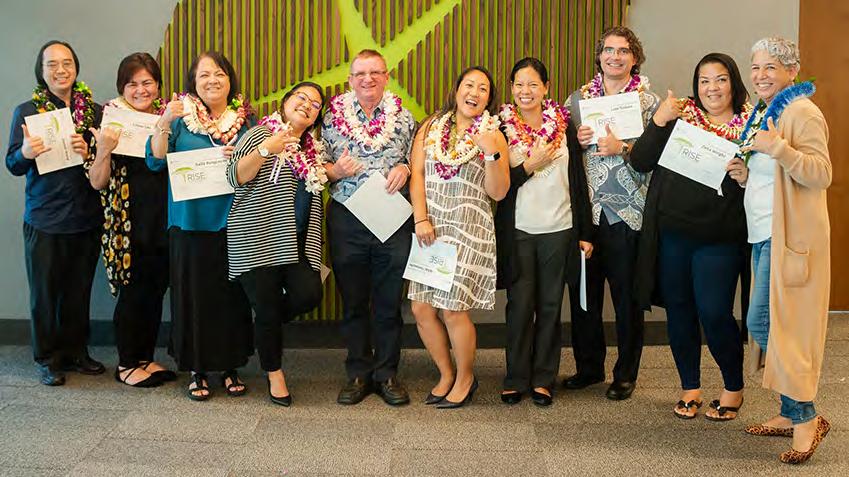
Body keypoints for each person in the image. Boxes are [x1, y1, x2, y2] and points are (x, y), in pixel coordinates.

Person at [630, 53, 752, 419]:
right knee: (680, 311)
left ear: (733, 83)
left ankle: (733, 387)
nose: (712, 88)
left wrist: (747, 177)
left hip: (721, 238)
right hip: (673, 235)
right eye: (704, 81)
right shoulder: (681, 118)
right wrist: (660, 119)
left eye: (720, 79)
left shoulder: (752, 127)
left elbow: (769, 183)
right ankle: (690, 386)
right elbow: (640, 161)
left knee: (714, 313)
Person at [738, 37, 832, 465]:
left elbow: (820, 172)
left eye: (771, 67)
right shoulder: (765, 111)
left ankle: (806, 418)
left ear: (792, 71)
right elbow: (772, 174)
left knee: (769, 325)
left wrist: (776, 147)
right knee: (774, 326)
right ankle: (790, 411)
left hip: (789, 238)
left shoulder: (802, 111)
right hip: (763, 233)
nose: (761, 75)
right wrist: (745, 173)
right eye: (756, 67)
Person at [146, 51, 253, 401]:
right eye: (204, 74)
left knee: (232, 298)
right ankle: (197, 368)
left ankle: (231, 365)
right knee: (193, 297)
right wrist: (164, 120)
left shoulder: (246, 120)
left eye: (219, 73)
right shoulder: (179, 117)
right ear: (193, 82)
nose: (212, 80)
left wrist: (239, 156)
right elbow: (155, 160)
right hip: (189, 222)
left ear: (230, 80)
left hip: (234, 222)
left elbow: (259, 165)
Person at [564, 26, 659, 400]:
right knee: (584, 296)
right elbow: (561, 155)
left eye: (623, 51)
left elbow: (657, 158)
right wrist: (576, 141)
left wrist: (624, 147)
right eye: (608, 50)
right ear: (599, 55)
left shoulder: (649, 104)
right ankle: (589, 368)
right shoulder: (576, 101)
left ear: (635, 58)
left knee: (626, 300)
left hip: (628, 212)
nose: (614, 56)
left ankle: (625, 373)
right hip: (587, 213)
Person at [409, 66, 510, 408]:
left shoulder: (493, 134)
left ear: (489, 99)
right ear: (456, 89)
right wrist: (421, 218)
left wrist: (490, 152)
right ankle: (446, 373)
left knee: (453, 309)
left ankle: (466, 377)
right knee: (421, 307)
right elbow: (417, 175)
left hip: (469, 229)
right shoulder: (431, 126)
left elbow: (498, 192)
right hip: (431, 229)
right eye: (469, 85)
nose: (475, 93)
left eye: (483, 89)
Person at [495, 57, 593, 407]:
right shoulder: (500, 128)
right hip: (520, 230)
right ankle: (515, 377)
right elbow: (498, 187)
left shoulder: (563, 125)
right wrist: (528, 166)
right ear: (511, 89)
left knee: (551, 306)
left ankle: (543, 378)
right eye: (519, 84)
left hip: (560, 228)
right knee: (520, 306)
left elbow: (577, 181)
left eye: (533, 84)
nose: (526, 91)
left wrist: (585, 232)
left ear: (546, 88)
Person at [5, 40, 104, 386]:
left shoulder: (93, 111)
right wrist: (26, 152)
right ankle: (48, 358)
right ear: (41, 70)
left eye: (67, 63)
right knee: (45, 294)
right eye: (52, 64)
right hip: (44, 218)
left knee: (79, 291)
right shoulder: (27, 112)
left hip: (86, 216)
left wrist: (89, 150)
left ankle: (77, 352)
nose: (61, 70)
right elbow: (12, 164)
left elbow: (107, 163)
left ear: (76, 67)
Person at [321, 49, 417, 406]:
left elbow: (415, 161)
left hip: (393, 218)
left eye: (375, 72)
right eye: (361, 73)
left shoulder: (404, 118)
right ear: (350, 79)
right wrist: (335, 171)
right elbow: (317, 166)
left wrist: (406, 168)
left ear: (386, 77)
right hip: (348, 217)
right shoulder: (330, 118)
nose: (368, 79)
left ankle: (387, 373)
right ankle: (358, 373)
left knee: (389, 301)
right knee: (354, 301)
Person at [226, 82, 327, 406]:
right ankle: (274, 373)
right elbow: (234, 176)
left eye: (315, 104)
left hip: (296, 243)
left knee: (309, 294)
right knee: (268, 308)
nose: (307, 104)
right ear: (285, 102)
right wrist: (266, 149)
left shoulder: (312, 151)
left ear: (316, 117)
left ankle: (262, 323)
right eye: (301, 97)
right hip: (255, 237)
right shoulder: (259, 133)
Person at [88, 53, 175, 388]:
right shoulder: (109, 120)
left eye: (147, 82)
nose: (141, 90)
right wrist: (105, 148)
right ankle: (126, 364)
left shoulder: (166, 118)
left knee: (155, 289)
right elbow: (97, 182)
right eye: (132, 84)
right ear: (121, 88)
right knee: (133, 292)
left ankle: (144, 358)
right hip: (126, 224)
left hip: (162, 219)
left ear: (158, 85)